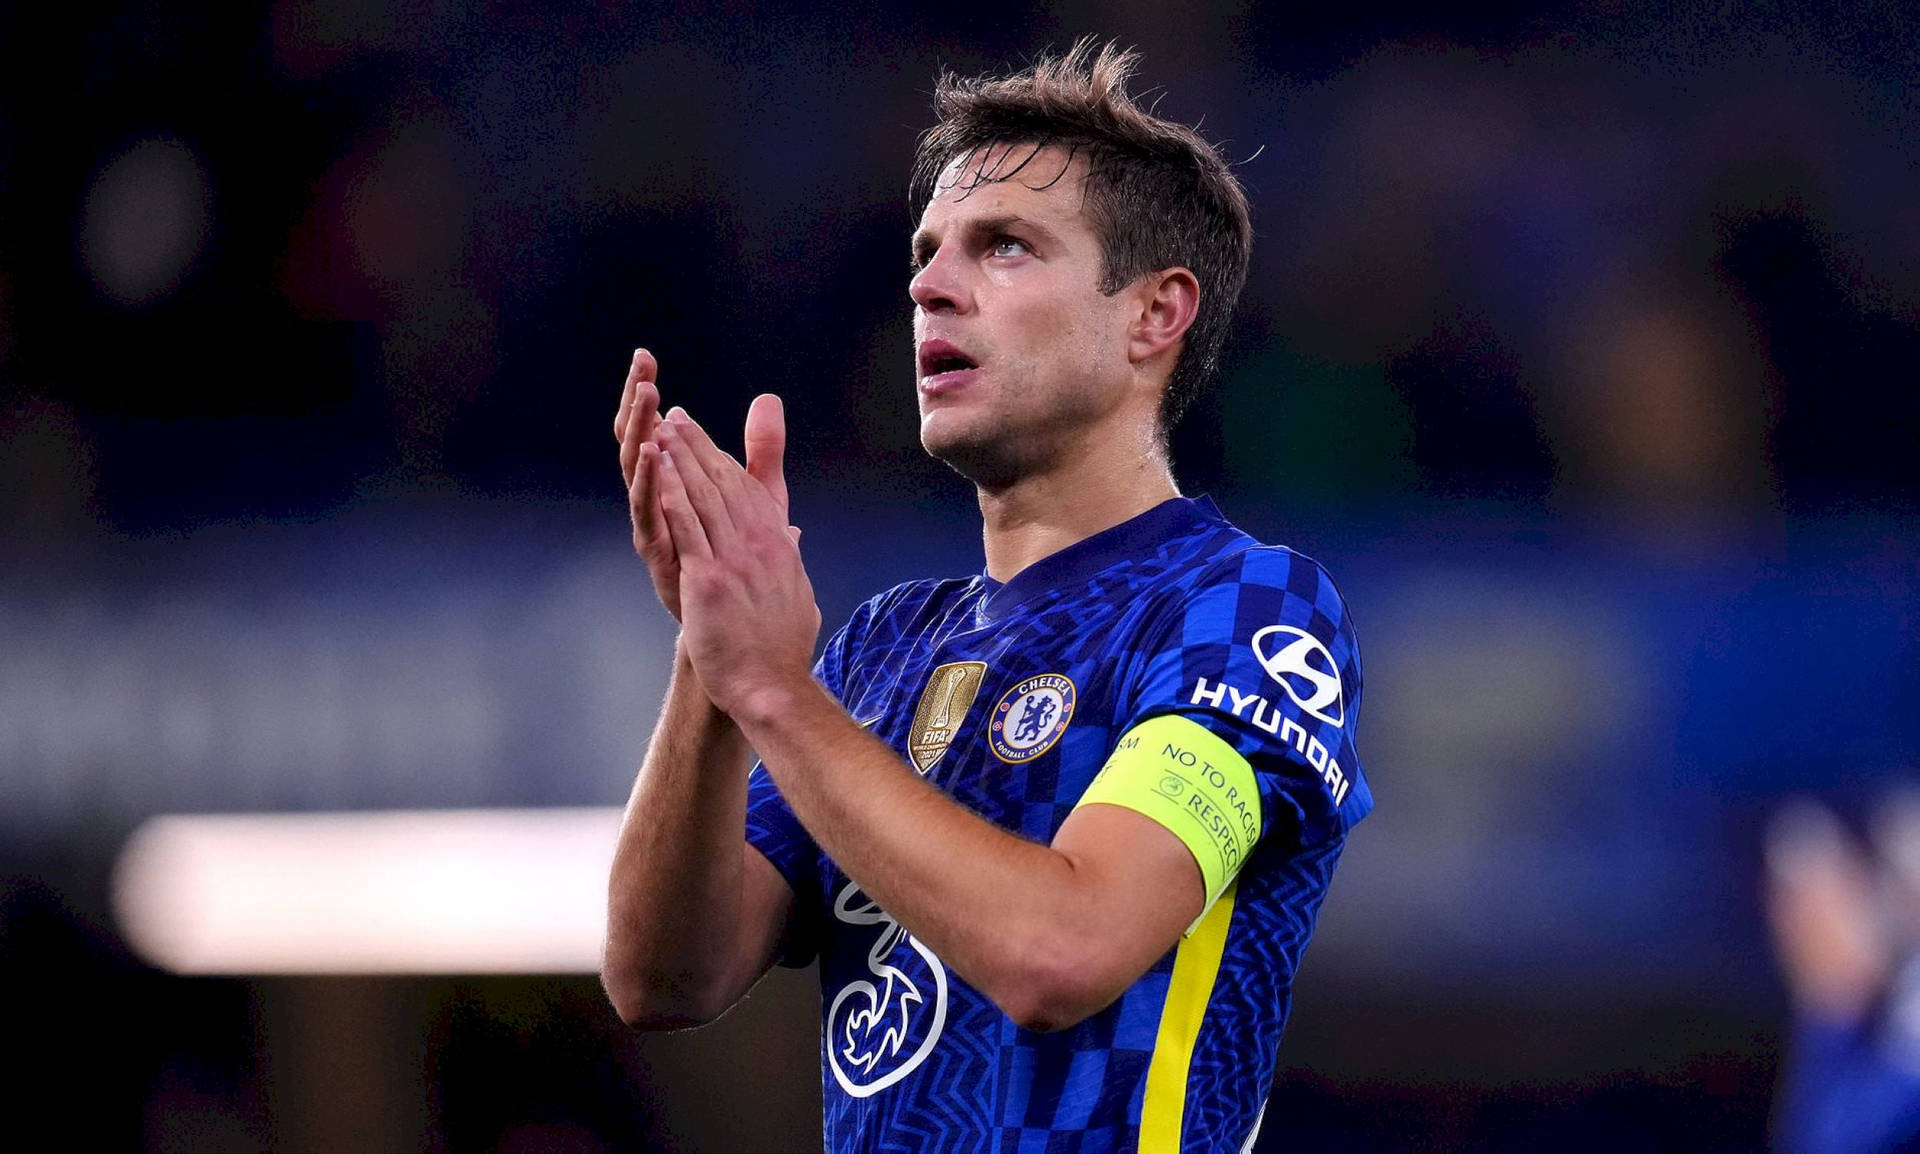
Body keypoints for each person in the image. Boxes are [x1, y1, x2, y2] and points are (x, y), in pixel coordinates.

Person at [601, 40, 1373, 1151]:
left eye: (1004, 247)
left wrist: (772, 688)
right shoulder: (880, 649)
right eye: (926, 254)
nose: (927, 285)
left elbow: (1062, 949)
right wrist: (714, 653)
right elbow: (662, 972)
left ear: (1154, 315)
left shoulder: (1245, 608)